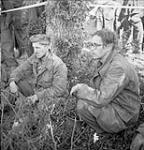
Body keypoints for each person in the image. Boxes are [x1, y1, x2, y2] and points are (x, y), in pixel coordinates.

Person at [70, 29, 141, 133]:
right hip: (116, 105)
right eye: (90, 45)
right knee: (85, 99)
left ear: (108, 46)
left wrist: (82, 89)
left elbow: (101, 99)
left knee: (82, 104)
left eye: (95, 45)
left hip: (123, 116)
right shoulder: (107, 60)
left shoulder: (117, 67)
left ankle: (103, 133)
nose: (91, 49)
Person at [9, 34, 68, 107]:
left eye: (38, 48)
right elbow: (20, 70)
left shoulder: (58, 65)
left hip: (50, 97)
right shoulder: (35, 57)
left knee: (41, 108)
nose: (35, 51)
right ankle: (7, 108)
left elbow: (59, 90)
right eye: (34, 48)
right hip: (36, 91)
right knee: (15, 82)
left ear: (47, 47)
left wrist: (37, 96)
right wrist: (12, 81)